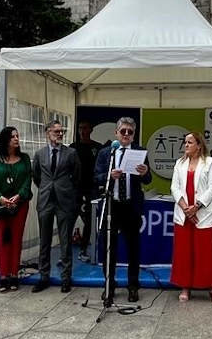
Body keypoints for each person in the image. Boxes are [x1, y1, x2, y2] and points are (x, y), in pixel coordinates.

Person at [94, 117, 152, 305]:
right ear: (116, 133)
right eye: (123, 131)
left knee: (133, 248)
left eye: (130, 132)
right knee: (108, 248)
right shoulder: (106, 153)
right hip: (112, 205)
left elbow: (148, 179)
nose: (126, 134)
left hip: (131, 205)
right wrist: (109, 176)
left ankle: (133, 286)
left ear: (134, 134)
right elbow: (96, 177)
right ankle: (109, 285)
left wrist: (144, 173)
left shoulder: (140, 151)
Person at [170, 132, 212, 304]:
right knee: (184, 252)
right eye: (185, 142)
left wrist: (197, 207)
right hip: (184, 215)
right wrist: (186, 209)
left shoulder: (210, 162)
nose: (186, 145)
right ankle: (185, 286)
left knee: (206, 253)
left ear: (199, 145)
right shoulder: (180, 163)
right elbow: (175, 187)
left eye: (190, 142)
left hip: (203, 214)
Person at [32, 120, 81, 293]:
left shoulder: (71, 153)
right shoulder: (39, 154)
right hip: (45, 200)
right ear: (48, 133)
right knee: (44, 240)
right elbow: (36, 176)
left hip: (64, 200)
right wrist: (47, 188)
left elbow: (76, 177)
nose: (60, 134)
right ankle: (43, 276)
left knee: (65, 240)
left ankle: (66, 278)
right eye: (56, 131)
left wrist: (66, 191)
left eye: (62, 131)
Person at [0, 126, 33, 293]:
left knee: (16, 239)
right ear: (5, 139)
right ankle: (3, 275)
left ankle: (14, 274)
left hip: (19, 205)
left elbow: (28, 179)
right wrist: (0, 198)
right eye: (13, 136)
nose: (16, 139)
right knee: (3, 238)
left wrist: (19, 196)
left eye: (17, 136)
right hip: (1, 205)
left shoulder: (25, 158)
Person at [71, 120, 102, 262]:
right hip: (75, 190)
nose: (82, 131)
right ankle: (66, 254)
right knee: (69, 220)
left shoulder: (97, 147)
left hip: (91, 190)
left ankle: (83, 250)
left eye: (85, 128)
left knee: (89, 221)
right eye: (80, 128)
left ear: (91, 129)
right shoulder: (72, 148)